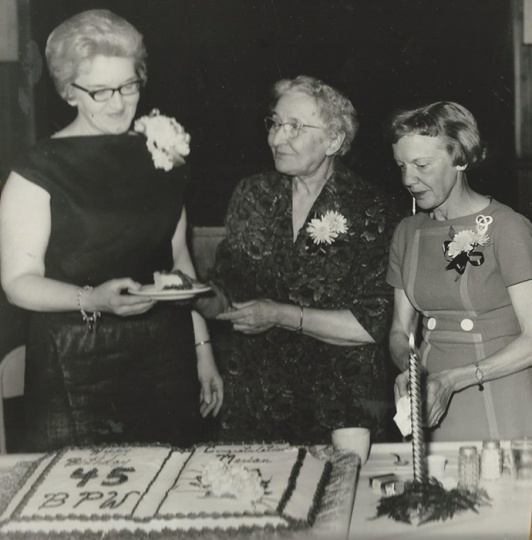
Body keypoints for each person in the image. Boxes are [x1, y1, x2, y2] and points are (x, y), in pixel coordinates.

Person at [0, 9, 223, 452]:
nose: (118, 103)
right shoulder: (37, 168)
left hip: (166, 358)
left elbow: (179, 268)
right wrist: (93, 299)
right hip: (74, 361)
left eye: (128, 86)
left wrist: (203, 351)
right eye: (100, 92)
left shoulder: (162, 155)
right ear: (69, 92)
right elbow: (17, 284)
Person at [196, 75, 401, 445]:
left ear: (334, 141)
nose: (277, 138)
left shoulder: (371, 208)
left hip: (341, 405)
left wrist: (279, 314)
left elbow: (371, 324)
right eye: (275, 123)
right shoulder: (252, 194)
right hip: (258, 401)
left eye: (294, 126)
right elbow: (227, 292)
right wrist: (191, 295)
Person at [385, 101, 532, 441]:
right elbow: (399, 330)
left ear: (461, 159)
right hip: (433, 399)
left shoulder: (507, 228)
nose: (409, 179)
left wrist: (453, 379)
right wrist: (411, 371)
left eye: (422, 165)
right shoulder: (407, 232)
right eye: (401, 165)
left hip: (500, 393)